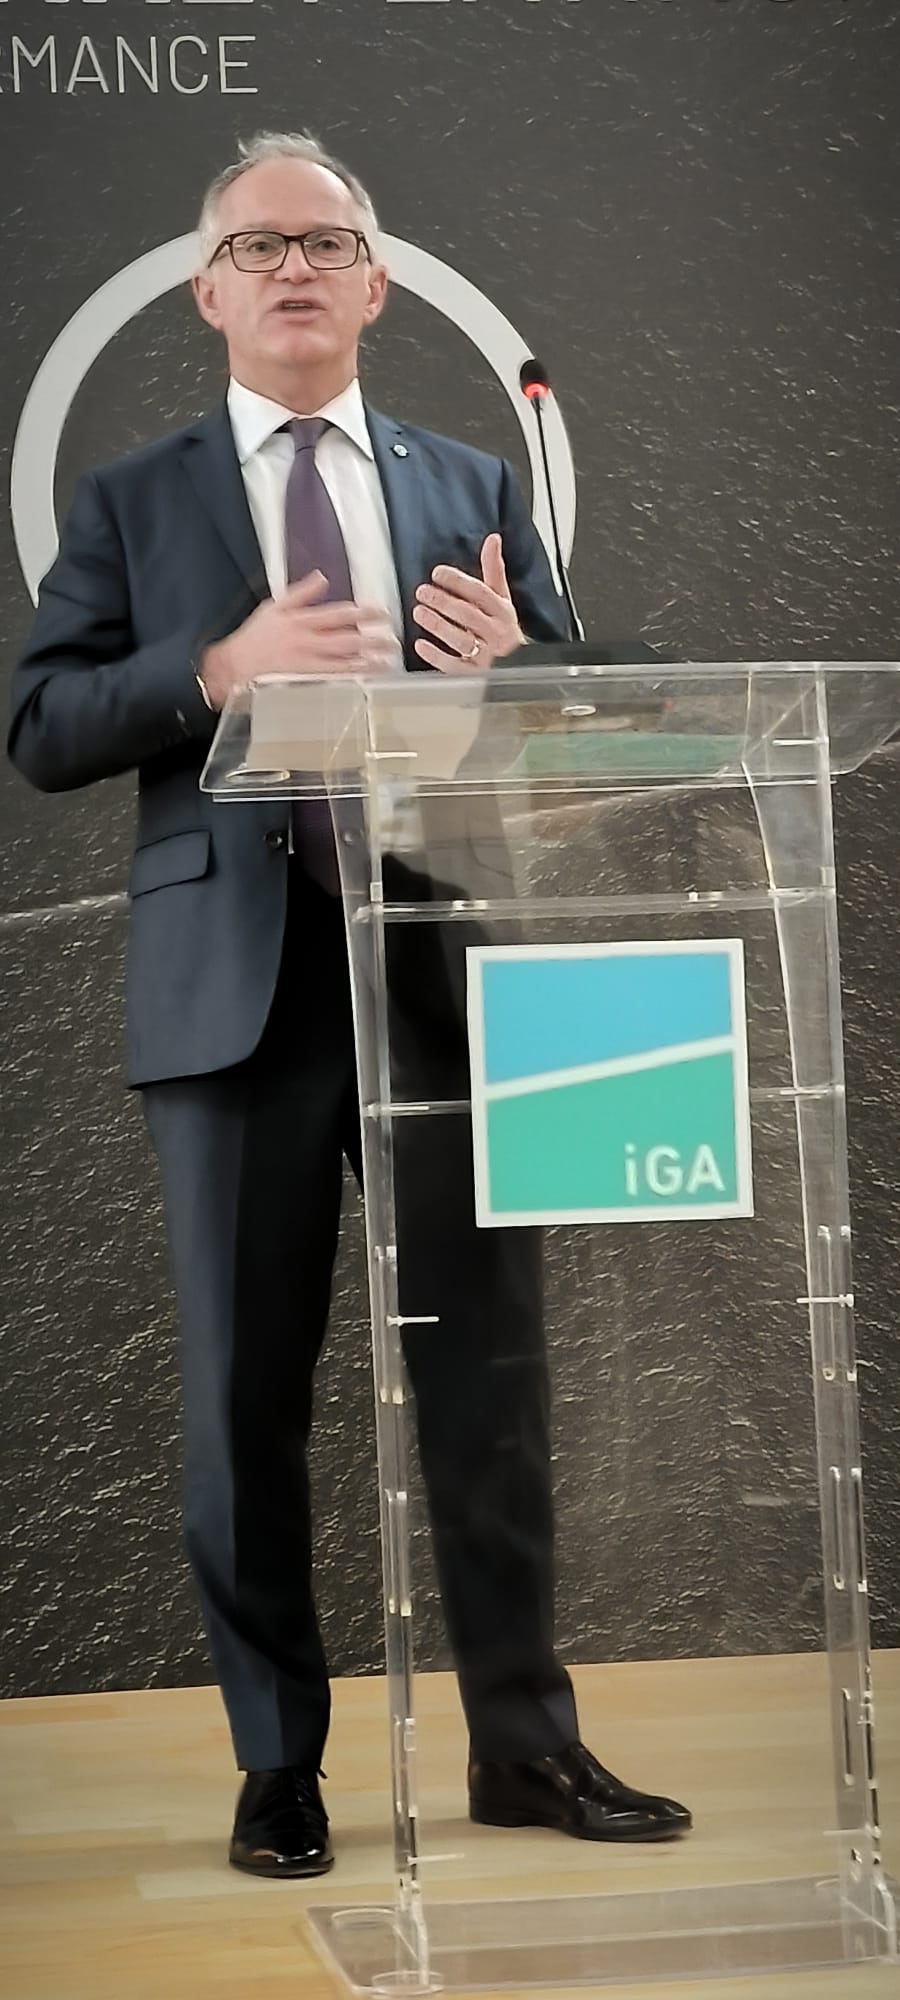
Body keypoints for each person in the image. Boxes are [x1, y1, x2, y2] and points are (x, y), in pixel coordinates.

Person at [8, 131, 690, 1876]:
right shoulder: (134, 499)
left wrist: (524, 673)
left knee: (493, 1380)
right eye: (261, 246)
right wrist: (212, 670)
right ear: (207, 292)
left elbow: (587, 717)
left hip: (442, 968)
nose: (296, 266)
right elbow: (43, 725)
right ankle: (278, 1764)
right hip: (236, 998)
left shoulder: (472, 479)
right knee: (245, 1400)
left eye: (327, 242)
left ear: (378, 285)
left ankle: (525, 1748)